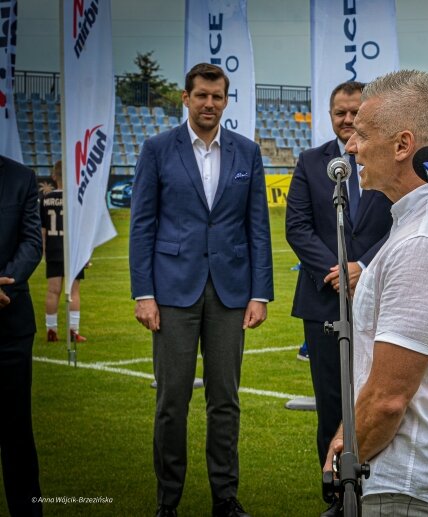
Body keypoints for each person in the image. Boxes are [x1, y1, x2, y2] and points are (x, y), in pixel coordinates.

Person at [324, 70, 428, 517]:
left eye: (362, 134)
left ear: (403, 145)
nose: (351, 146)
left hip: (409, 483)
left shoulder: (425, 240)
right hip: (416, 476)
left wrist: (349, 456)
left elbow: (389, 397)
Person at [129, 63, 273, 517]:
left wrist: (260, 293)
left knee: (225, 401)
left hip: (231, 293)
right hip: (172, 292)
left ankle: (225, 498)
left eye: (217, 96)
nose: (209, 103)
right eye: (201, 96)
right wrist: (143, 293)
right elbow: (142, 225)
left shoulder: (246, 152)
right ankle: (167, 500)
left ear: (226, 101)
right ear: (185, 99)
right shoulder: (157, 149)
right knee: (172, 400)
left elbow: (258, 228)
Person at [285, 80, 393, 515]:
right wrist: (338, 270)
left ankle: (373, 491)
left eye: (355, 113)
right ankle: (335, 497)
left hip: (379, 296)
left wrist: (362, 268)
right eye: (340, 113)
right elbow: (298, 227)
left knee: (373, 397)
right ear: (330, 115)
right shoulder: (311, 161)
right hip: (324, 298)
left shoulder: (385, 161)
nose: (347, 120)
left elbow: (397, 225)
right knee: (331, 402)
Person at [0, 154, 43, 516]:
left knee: (16, 433)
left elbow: (32, 243)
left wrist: (5, 285)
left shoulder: (21, 177)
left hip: (10, 323)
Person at [40, 160, 87, 343]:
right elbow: (82, 229)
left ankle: (51, 330)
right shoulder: (77, 198)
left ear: (53, 177)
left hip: (53, 249)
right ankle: (73, 331)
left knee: (53, 291)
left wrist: (44, 250)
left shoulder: (45, 199)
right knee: (73, 291)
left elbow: (42, 230)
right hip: (73, 250)